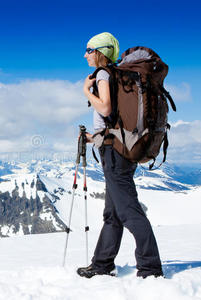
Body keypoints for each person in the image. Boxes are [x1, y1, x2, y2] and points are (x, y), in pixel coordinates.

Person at [76, 32, 164, 279]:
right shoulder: (115, 76)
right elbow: (113, 123)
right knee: (113, 213)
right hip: (119, 150)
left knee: (127, 211)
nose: (85, 55)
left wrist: (86, 91)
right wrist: (93, 138)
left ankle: (151, 268)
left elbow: (104, 108)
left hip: (115, 154)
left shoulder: (103, 75)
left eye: (89, 50)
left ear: (100, 52)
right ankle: (102, 264)